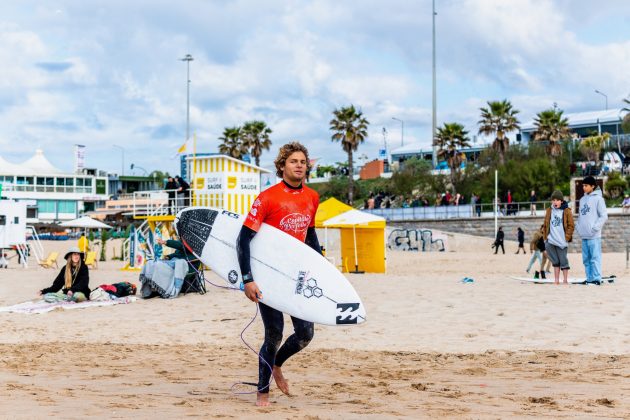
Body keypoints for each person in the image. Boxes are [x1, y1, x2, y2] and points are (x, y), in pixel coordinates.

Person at [236, 142, 321, 407]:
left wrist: (321, 268)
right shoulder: (267, 197)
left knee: (305, 334)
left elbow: (310, 235)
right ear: (282, 166)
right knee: (273, 334)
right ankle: (263, 392)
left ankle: (276, 365)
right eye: (293, 161)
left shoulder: (312, 197)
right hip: (268, 275)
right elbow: (243, 238)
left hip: (296, 276)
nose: (299, 165)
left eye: (303, 162)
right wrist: (248, 279)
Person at [576, 176, 608, 285]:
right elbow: (580, 217)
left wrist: (595, 228)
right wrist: (578, 228)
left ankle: (596, 279)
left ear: (592, 186)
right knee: (586, 260)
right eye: (583, 186)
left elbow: (604, 216)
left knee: (595, 258)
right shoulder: (582, 200)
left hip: (594, 235)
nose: (584, 188)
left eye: (586, 185)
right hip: (584, 235)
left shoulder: (599, 199)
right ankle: (589, 279)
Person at [542, 190, 575, 284]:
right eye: (553, 200)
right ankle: (556, 280)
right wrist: (545, 237)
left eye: (557, 200)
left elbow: (571, 225)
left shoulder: (567, 211)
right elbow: (545, 224)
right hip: (551, 240)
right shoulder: (549, 210)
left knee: (563, 261)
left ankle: (565, 280)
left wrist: (567, 238)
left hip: (562, 241)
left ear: (561, 201)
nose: (555, 202)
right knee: (555, 262)